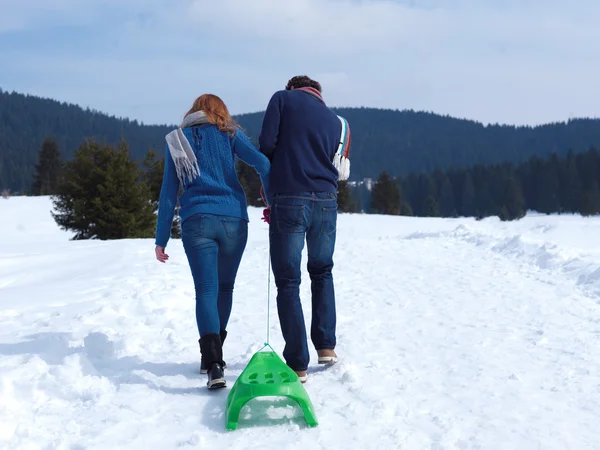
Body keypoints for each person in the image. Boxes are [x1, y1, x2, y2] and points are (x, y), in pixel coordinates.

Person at [154, 94, 271, 390]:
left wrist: (161, 238)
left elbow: (169, 193)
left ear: (192, 111)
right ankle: (216, 354)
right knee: (225, 287)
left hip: (197, 220)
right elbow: (264, 164)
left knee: (205, 290)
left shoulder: (177, 139)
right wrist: (269, 200)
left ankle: (213, 362)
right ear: (220, 112)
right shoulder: (229, 133)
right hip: (233, 219)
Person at [259, 75, 351, 383]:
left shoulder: (281, 100)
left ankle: (298, 363)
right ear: (318, 94)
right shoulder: (336, 121)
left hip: (290, 198)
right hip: (326, 201)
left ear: (292, 88)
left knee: (288, 280)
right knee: (322, 271)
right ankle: (326, 346)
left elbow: (266, 145)